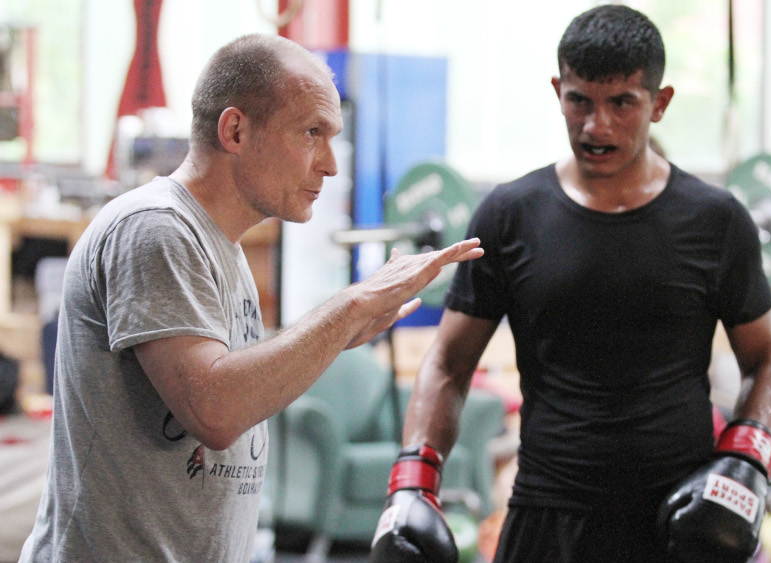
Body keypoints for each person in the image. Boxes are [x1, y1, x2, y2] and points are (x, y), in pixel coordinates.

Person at [18, 33, 482, 562]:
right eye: (312, 133)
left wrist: (342, 333)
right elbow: (215, 409)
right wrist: (349, 307)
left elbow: (233, 378)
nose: (330, 164)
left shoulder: (222, 246)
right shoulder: (157, 229)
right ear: (235, 129)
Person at [370, 5, 771, 562]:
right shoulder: (508, 214)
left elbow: (767, 360)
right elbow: (448, 363)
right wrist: (413, 482)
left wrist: (744, 461)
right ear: (557, 91)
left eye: (622, 103)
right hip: (548, 515)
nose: (597, 126)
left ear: (659, 103)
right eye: (580, 100)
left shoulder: (716, 220)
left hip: (680, 518)